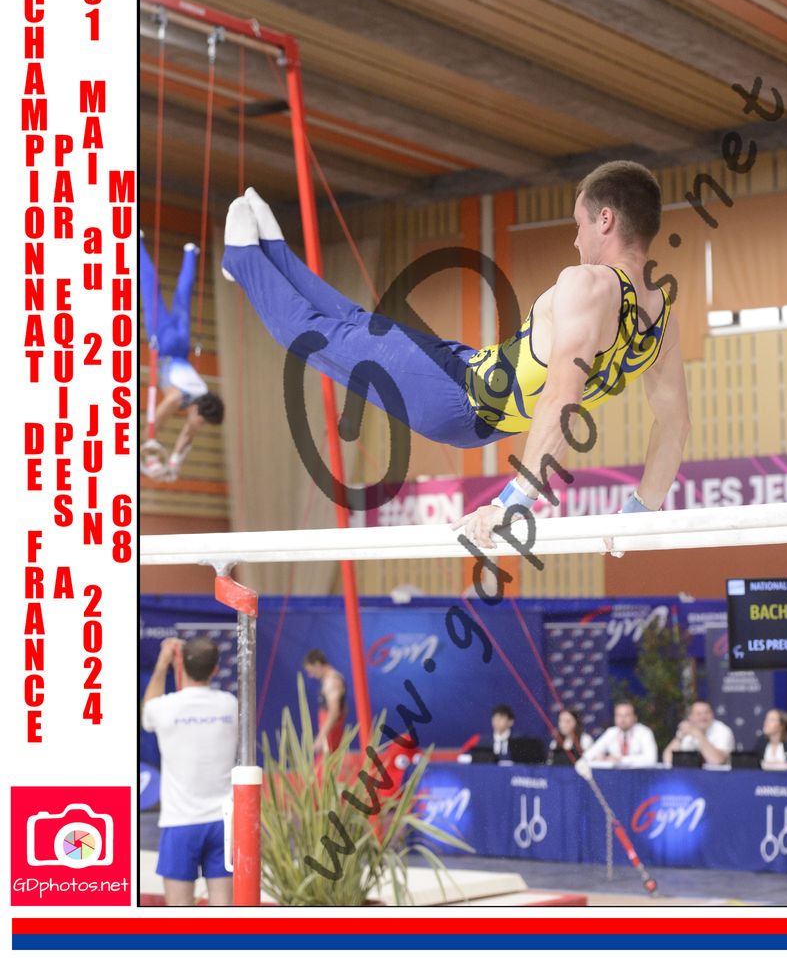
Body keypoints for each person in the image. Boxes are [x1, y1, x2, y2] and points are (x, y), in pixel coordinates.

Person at [221, 168, 690, 549]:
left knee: (314, 337)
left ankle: (242, 261)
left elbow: (562, 402)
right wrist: (640, 513)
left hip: (459, 402)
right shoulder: (663, 319)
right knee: (361, 325)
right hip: (467, 369)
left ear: (604, 220)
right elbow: (675, 426)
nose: (575, 240)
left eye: (578, 225)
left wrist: (512, 503)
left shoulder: (586, 285)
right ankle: (274, 254)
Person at [141, 636, 238, 906]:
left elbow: (147, 711)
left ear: (180, 666)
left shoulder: (163, 708)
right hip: (223, 821)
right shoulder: (230, 705)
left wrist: (162, 666)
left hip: (180, 822)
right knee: (223, 907)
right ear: (215, 669)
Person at [139, 235, 225, 480]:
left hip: (182, 344)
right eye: (202, 422)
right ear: (198, 412)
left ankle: (190, 253)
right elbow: (158, 416)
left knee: (183, 298)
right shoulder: (180, 397)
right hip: (164, 344)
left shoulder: (203, 393)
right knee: (151, 290)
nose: (199, 426)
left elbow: (187, 434)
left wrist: (175, 462)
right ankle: (139, 243)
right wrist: (150, 449)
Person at [580, 700, 659, 768]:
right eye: (618, 715)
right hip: (616, 776)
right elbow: (588, 756)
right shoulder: (611, 732)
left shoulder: (644, 732)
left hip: (639, 776)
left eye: (626, 715)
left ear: (635, 717)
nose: (622, 719)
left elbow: (651, 759)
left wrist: (621, 760)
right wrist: (599, 759)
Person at [662, 700, 735, 766]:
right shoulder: (687, 728)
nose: (703, 717)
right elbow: (668, 760)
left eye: (707, 713)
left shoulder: (722, 731)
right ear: (690, 717)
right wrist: (679, 737)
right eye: (699, 714)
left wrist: (699, 735)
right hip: (690, 774)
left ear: (713, 715)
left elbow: (717, 761)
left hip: (717, 775)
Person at [302, 649, 348, 755]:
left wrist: (321, 737)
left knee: (328, 763)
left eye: (311, 671)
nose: (311, 675)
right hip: (330, 731)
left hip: (330, 734)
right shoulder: (330, 679)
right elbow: (343, 709)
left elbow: (334, 712)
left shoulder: (332, 681)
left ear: (317, 664)